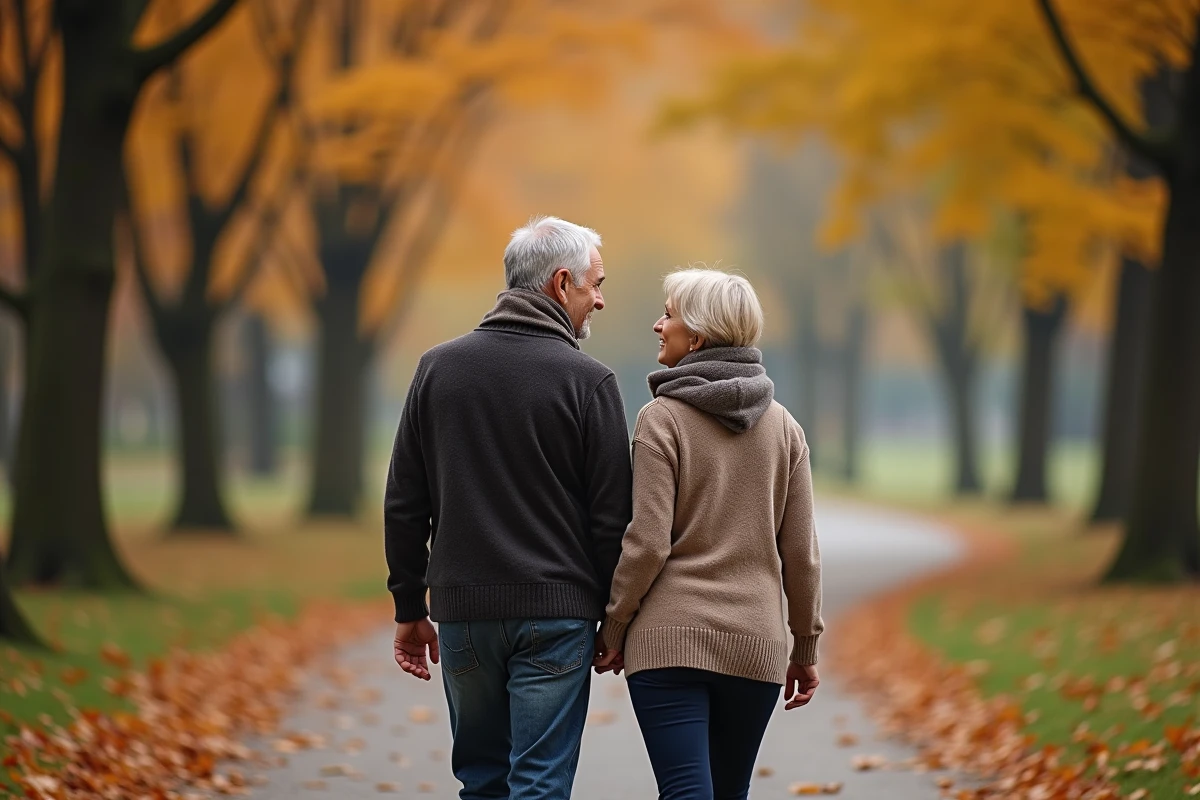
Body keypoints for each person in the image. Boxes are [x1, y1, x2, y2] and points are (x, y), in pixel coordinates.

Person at [384, 215, 633, 799]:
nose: (600, 300)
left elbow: (404, 502)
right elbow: (612, 521)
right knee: (539, 783)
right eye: (595, 285)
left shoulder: (437, 369)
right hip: (557, 616)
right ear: (561, 283)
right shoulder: (590, 382)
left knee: (482, 781)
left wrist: (408, 605)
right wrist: (614, 617)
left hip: (464, 613)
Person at [594, 268, 824, 800]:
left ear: (696, 337)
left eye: (668, 315)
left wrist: (614, 626)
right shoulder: (786, 429)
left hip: (668, 645)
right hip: (755, 646)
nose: (658, 325)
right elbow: (801, 554)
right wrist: (804, 645)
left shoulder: (661, 420)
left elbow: (647, 542)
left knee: (685, 790)